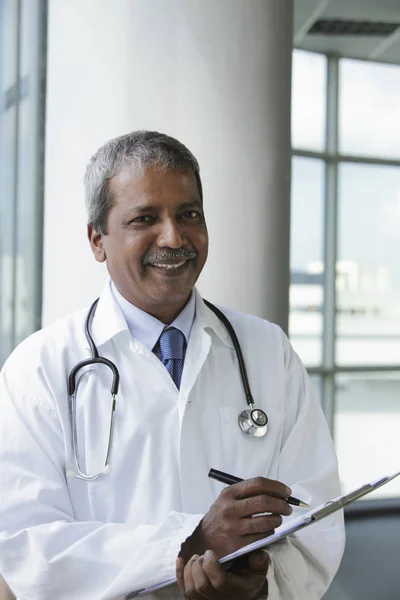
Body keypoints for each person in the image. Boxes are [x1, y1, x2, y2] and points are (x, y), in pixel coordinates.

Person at [0, 131, 344, 599]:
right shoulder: (39, 368)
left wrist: (257, 582)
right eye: (145, 218)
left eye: (189, 215)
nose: (174, 237)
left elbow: (316, 513)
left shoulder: (268, 351)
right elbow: (25, 545)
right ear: (97, 239)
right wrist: (187, 544)